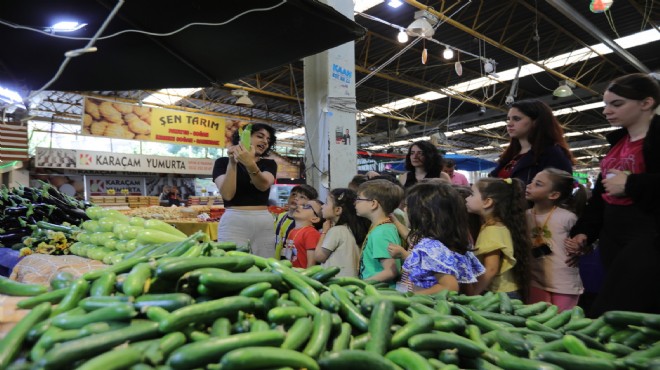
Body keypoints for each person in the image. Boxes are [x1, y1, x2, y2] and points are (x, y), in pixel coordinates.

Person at [567, 73, 660, 316]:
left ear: (646, 103)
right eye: (606, 104)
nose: (607, 111)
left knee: (615, 309)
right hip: (612, 235)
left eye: (616, 104)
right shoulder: (618, 143)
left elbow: (624, 185)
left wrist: (632, 184)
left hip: (648, 233)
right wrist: (585, 231)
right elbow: (601, 195)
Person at [387, 182, 485, 294]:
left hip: (426, 306)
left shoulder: (431, 247)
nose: (404, 210)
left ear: (424, 214)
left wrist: (410, 297)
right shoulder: (448, 241)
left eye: (407, 206)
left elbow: (450, 287)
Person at [212, 123, 278, 258]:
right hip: (234, 220)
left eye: (268, 140)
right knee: (233, 263)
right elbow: (227, 194)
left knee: (265, 264)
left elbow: (263, 185)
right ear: (244, 137)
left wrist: (249, 163)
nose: (265, 141)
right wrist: (232, 162)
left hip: (263, 221)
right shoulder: (222, 162)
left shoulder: (269, 164)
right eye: (260, 136)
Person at [525, 168, 587, 311]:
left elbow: (585, 245)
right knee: (537, 321)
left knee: (561, 324)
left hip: (564, 283)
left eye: (538, 184)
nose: (529, 185)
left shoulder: (567, 217)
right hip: (535, 281)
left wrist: (580, 249)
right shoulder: (524, 216)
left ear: (553, 194)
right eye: (532, 181)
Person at [465, 177, 532, 300]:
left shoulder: (491, 230)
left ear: (487, 202)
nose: (466, 198)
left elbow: (491, 268)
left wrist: (473, 295)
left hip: (500, 295)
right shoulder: (500, 225)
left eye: (471, 194)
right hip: (510, 291)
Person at [489, 99, 573, 185]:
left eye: (516, 119)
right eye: (508, 119)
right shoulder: (510, 156)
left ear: (536, 122)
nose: (509, 124)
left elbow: (561, 190)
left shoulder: (553, 154)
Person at [355, 179, 404, 286]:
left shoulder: (382, 232)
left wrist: (361, 285)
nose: (355, 203)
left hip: (381, 293)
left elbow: (391, 271)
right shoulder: (381, 228)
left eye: (359, 198)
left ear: (373, 204)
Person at [315, 188, 370, 277]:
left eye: (326, 203)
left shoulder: (336, 231)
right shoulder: (353, 229)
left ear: (338, 210)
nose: (322, 206)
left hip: (337, 282)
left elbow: (319, 256)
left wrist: (324, 231)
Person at [274, 184, 318, 259]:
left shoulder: (302, 221)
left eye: (302, 197)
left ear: (309, 204)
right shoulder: (281, 216)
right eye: (293, 194)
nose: (296, 198)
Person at [282, 199, 324, 268]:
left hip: (302, 275)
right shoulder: (292, 231)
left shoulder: (311, 233)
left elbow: (311, 265)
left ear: (315, 218)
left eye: (307, 207)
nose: (299, 206)